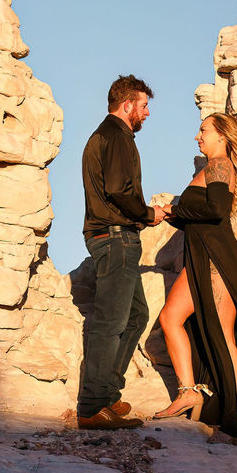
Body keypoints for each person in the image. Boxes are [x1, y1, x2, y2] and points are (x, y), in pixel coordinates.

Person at [150, 112, 237, 439]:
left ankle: (232, 415)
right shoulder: (210, 169)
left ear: (222, 136)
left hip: (217, 259)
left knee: (223, 335)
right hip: (199, 257)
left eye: (203, 131)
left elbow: (216, 211)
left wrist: (171, 210)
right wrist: (165, 216)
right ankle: (189, 392)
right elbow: (198, 216)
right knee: (170, 318)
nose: (198, 136)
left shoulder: (221, 165)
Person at [72, 75, 167, 431]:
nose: (147, 113)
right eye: (144, 106)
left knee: (135, 316)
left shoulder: (109, 135)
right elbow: (117, 188)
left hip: (113, 236)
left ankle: (108, 394)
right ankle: (92, 407)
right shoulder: (116, 136)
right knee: (110, 323)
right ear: (127, 105)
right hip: (115, 238)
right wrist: (147, 214)